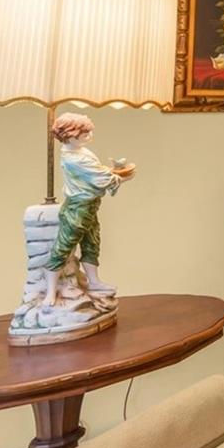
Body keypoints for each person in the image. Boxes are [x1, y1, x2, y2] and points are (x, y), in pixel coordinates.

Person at [45, 112, 135, 306]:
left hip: (91, 205)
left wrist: (112, 170)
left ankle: (94, 281)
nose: (89, 136)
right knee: (63, 247)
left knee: (92, 242)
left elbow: (99, 171)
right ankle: (50, 292)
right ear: (70, 136)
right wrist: (122, 176)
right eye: (85, 134)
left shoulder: (82, 153)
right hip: (78, 207)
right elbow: (100, 178)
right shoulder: (74, 158)